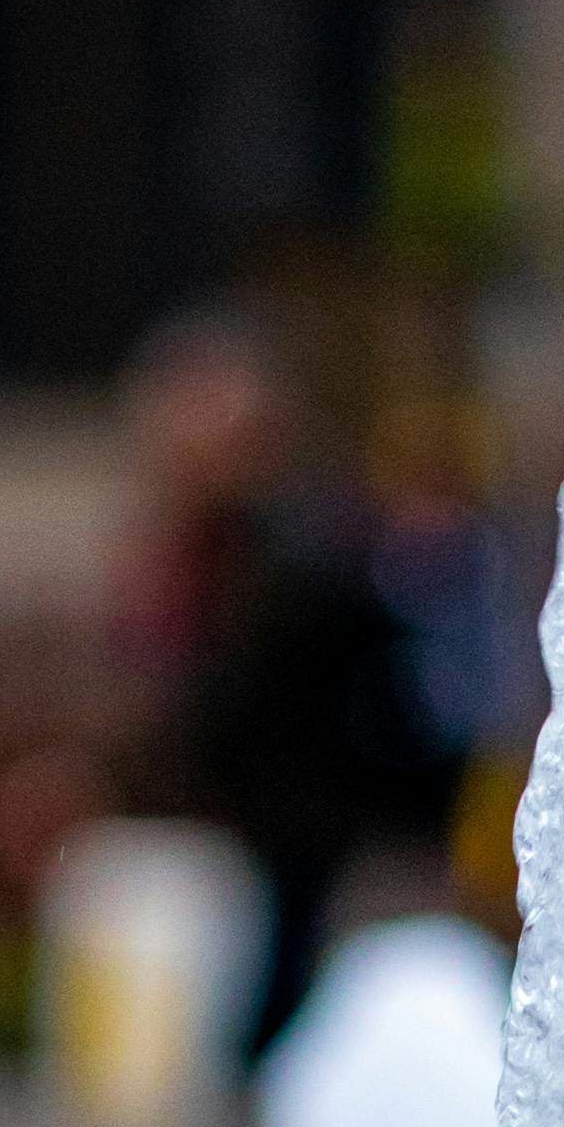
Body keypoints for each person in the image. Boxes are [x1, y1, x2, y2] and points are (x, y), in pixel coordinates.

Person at [114, 310, 474, 1056]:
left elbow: (283, 693)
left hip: (308, 832)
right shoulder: (217, 546)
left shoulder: (299, 553)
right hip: (269, 825)